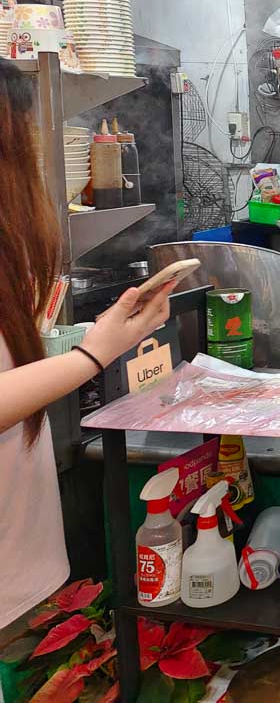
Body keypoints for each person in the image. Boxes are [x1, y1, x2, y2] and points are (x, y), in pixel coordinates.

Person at [0, 62, 177, 629]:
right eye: (24, 136)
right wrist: (91, 353)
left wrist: (106, 338)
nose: (35, 152)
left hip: (23, 558)